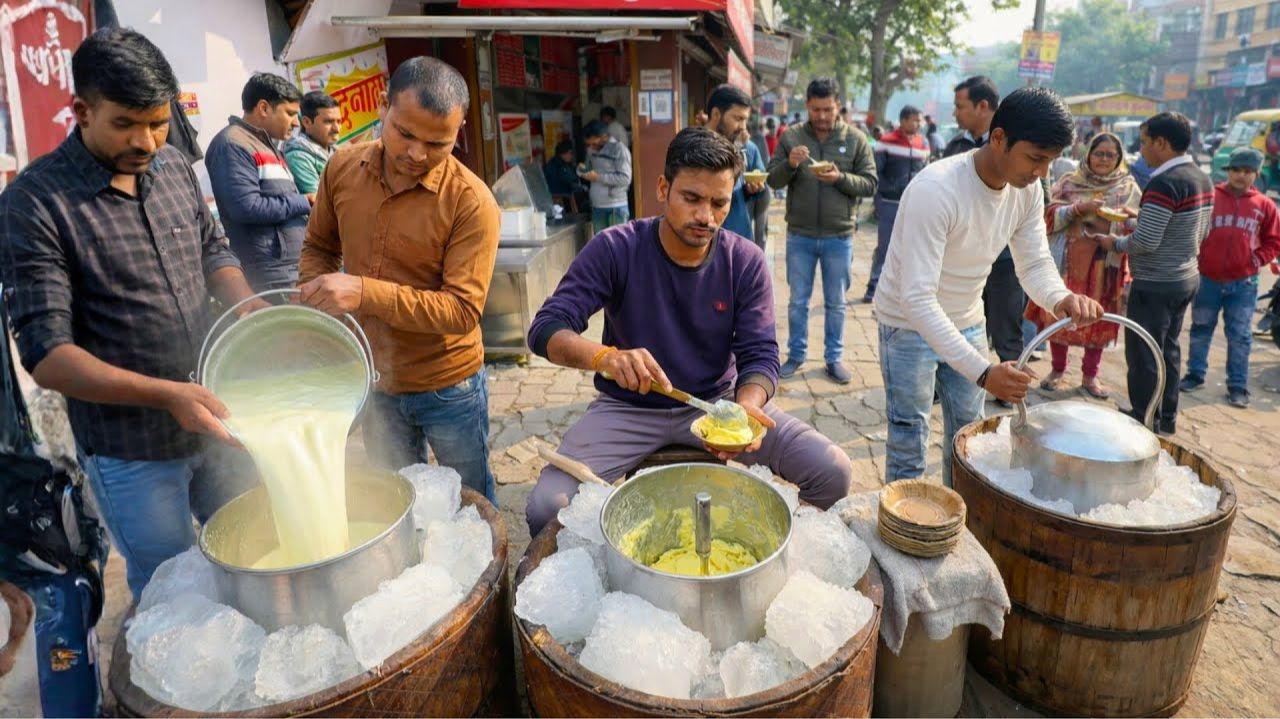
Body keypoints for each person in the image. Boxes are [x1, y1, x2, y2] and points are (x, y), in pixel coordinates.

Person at [0, 28, 268, 597]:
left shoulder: (173, 169)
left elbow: (211, 248)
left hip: (217, 420)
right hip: (132, 451)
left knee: (254, 553)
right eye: (125, 123)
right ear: (81, 111)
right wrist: (168, 395)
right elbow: (48, 356)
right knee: (174, 588)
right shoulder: (35, 205)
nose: (146, 141)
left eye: (158, 122)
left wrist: (247, 306)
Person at [523, 127, 851, 535]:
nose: (706, 217)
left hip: (718, 405)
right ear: (663, 188)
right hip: (628, 409)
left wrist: (747, 408)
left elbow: (760, 353)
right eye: (691, 198)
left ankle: (771, 554)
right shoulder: (616, 248)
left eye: (719, 203)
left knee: (833, 470)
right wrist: (605, 357)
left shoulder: (744, 261)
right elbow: (546, 328)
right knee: (547, 508)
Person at [873, 87, 1103, 486]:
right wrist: (983, 372)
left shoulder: (1027, 190)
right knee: (910, 441)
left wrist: (1060, 298)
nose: (1041, 173)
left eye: (1049, 162)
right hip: (907, 327)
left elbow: (1032, 261)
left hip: (965, 320)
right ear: (999, 139)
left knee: (968, 440)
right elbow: (917, 299)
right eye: (1035, 158)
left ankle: (959, 524)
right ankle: (903, 538)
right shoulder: (937, 189)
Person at [298, 56, 502, 501]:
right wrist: (318, 298)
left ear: (460, 130)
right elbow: (318, 247)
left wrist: (363, 292)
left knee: (470, 502)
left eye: (437, 143)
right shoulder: (342, 169)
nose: (416, 154)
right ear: (382, 106)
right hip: (375, 381)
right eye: (405, 133)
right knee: (396, 498)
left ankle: (490, 572)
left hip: (448, 384)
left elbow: (462, 311)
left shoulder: (472, 202)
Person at [1094, 112, 1213, 435]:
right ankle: (1166, 418)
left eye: (1145, 142)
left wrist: (1113, 242)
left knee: (1145, 353)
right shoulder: (1200, 177)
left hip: (1157, 283)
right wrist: (1141, 217)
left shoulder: (1164, 182)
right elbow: (1193, 230)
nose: (1142, 150)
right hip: (1185, 276)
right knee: (1169, 351)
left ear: (1162, 143)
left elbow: (1145, 242)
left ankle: (1143, 419)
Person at [765, 77, 877, 384]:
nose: (823, 116)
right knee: (798, 300)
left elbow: (870, 183)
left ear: (838, 105)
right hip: (799, 234)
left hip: (839, 237)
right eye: (816, 109)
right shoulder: (792, 137)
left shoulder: (855, 139)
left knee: (836, 302)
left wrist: (840, 178)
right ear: (807, 106)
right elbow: (772, 181)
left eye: (828, 109)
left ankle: (834, 358)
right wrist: (789, 163)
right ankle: (796, 355)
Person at [1025, 132, 1141, 399]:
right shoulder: (1068, 182)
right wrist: (1078, 209)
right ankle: (1057, 369)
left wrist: (1127, 220)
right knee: (1063, 315)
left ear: (1119, 159)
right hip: (1068, 261)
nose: (1103, 159)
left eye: (1110, 155)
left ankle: (1090, 376)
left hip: (1105, 265)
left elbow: (1138, 228)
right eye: (1098, 153)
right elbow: (1048, 216)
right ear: (1088, 154)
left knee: (1098, 318)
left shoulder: (1128, 188)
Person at [1180, 147, 1280, 408]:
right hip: (1207, 279)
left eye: (1247, 171)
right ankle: (1195, 374)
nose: (1241, 176)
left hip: (1243, 284)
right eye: (1236, 170)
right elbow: (1193, 229)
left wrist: (1256, 260)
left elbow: (1274, 241)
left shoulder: (1265, 206)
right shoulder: (1211, 197)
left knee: (1240, 335)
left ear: (1256, 174)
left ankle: (1237, 386)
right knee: (1201, 329)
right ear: (1229, 171)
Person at [206, 72, 310, 292]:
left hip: (290, 270)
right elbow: (247, 207)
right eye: (290, 113)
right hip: (272, 276)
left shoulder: (267, 145)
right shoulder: (232, 144)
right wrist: (304, 201)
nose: (296, 123)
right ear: (264, 108)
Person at [865, 104, 929, 303]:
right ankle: (873, 286)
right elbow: (877, 173)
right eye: (915, 120)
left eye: (920, 120)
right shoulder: (886, 142)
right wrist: (882, 197)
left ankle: (898, 292)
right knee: (885, 247)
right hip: (890, 203)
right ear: (903, 121)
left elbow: (925, 171)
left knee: (910, 247)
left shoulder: (923, 143)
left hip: (915, 205)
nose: (919, 124)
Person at [705, 84, 766, 243]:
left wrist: (752, 189)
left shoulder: (748, 148)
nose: (743, 127)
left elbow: (753, 185)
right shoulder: (693, 147)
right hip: (705, 241)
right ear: (716, 114)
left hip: (740, 239)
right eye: (738, 119)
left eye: (745, 120)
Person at [284, 90, 341, 195]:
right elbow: (321, 202)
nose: (336, 129)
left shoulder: (337, 151)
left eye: (339, 121)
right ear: (307, 122)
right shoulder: (298, 157)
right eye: (328, 122)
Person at [581, 118, 632, 235]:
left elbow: (625, 179)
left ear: (604, 137)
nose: (591, 147)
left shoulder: (619, 150)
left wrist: (598, 177)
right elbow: (589, 168)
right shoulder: (590, 151)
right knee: (601, 246)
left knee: (618, 246)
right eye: (588, 144)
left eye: (594, 143)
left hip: (616, 207)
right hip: (597, 206)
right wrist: (583, 170)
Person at [945, 76, 997, 156]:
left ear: (982, 106)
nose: (954, 113)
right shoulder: (954, 147)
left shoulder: (1008, 147)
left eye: (959, 107)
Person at [748, 119, 773, 250]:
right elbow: (767, 163)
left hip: (752, 189)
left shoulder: (747, 144)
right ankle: (759, 255)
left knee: (750, 228)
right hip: (762, 189)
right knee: (760, 229)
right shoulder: (760, 140)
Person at [543, 139, 586, 211]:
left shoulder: (553, 162)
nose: (572, 156)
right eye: (570, 153)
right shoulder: (560, 165)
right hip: (560, 193)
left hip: (554, 192)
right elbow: (570, 179)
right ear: (563, 154)